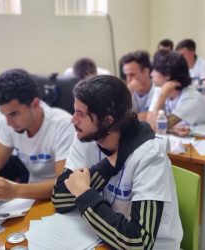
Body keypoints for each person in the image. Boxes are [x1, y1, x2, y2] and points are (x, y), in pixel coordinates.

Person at [52, 75, 183, 249]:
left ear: (108, 121)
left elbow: (139, 242)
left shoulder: (150, 156)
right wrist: (106, 167)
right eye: (74, 111)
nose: (73, 120)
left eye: (81, 114)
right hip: (105, 238)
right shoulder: (86, 138)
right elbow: (59, 200)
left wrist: (83, 192)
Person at [0, 69, 75, 200]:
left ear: (35, 104)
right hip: (29, 196)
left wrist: (16, 190)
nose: (8, 122)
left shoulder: (63, 125)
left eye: (14, 114)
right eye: (4, 114)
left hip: (57, 199)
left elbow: (64, 184)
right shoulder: (8, 121)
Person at [151, 50, 205, 133]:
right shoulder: (160, 90)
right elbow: (151, 123)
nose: (151, 74)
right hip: (184, 139)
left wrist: (162, 96)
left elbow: (156, 127)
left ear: (167, 75)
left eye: (155, 71)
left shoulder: (192, 98)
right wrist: (172, 130)